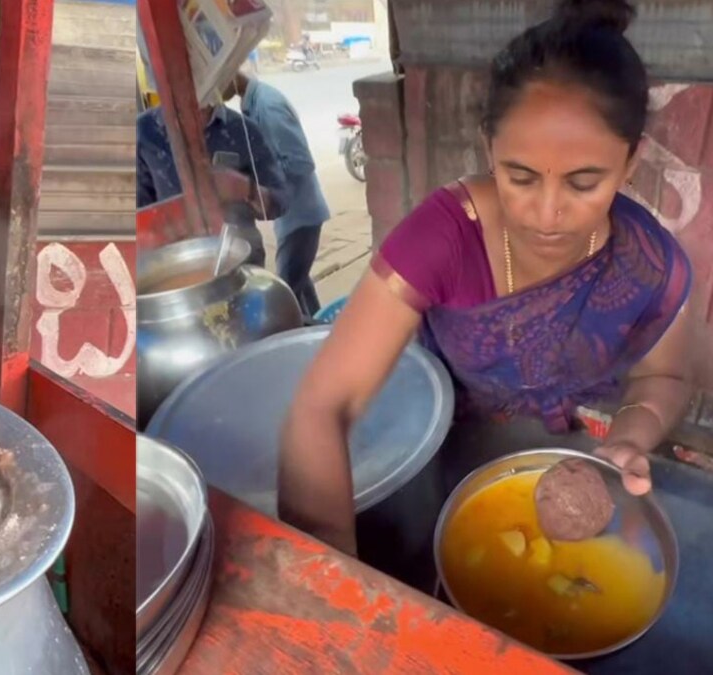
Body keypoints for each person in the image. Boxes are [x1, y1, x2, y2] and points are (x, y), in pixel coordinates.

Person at [279, 0, 692, 556]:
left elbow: (662, 381)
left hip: (553, 453)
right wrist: (329, 574)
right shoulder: (442, 239)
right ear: (488, 147)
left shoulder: (648, 262)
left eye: (583, 184)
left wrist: (628, 440)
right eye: (519, 177)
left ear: (631, 162)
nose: (547, 214)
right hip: (433, 450)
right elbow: (322, 407)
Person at [225, 70, 331, 319]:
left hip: (300, 216)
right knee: (300, 285)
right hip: (293, 217)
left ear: (228, 75)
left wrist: (253, 183)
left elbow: (301, 162)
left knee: (285, 292)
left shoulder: (267, 105)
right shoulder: (251, 102)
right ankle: (319, 328)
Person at [136, 103, 288, 267]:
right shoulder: (144, 132)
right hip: (177, 263)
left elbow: (280, 202)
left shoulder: (243, 129)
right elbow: (139, 213)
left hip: (242, 259)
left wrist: (245, 188)